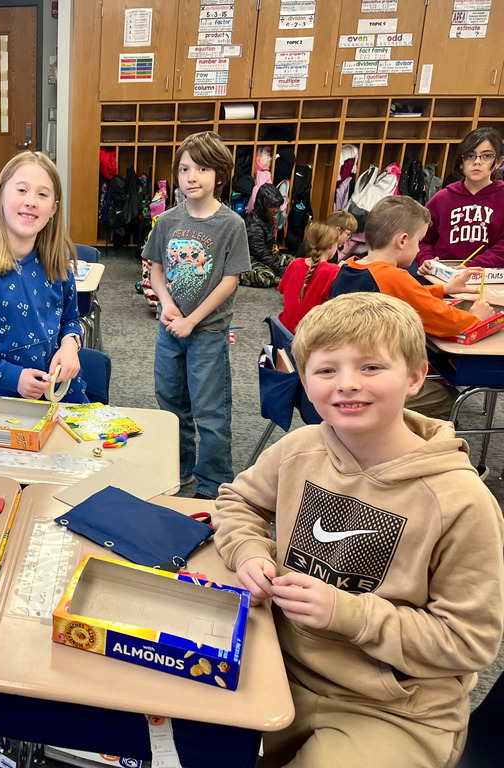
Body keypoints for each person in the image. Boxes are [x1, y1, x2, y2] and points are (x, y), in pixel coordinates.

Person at [213, 292, 504, 768]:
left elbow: (468, 642)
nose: (347, 385)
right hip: (275, 662)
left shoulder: (461, 503)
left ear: (414, 377)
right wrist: (248, 551)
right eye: (326, 370)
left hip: (391, 710)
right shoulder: (301, 448)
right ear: (305, 383)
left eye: (371, 368)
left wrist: (347, 613)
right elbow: (238, 501)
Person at [145, 131, 250, 499]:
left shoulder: (230, 225)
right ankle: (180, 472)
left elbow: (230, 280)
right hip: (170, 329)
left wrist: (192, 320)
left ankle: (213, 485)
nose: (191, 177)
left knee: (210, 413)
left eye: (202, 169)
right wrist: (165, 303)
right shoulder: (168, 221)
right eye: (185, 168)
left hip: (208, 333)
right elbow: (156, 269)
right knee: (171, 405)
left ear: (219, 175)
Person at [329, 196, 493, 418]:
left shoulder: (351, 266)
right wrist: (476, 317)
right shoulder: (394, 277)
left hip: (346, 371)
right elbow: (446, 321)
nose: (418, 250)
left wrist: (444, 289)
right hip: (371, 382)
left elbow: (406, 294)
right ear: (402, 240)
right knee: (450, 399)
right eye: (419, 241)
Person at [0, 150, 87, 402]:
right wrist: (11, 377)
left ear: (53, 209)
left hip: (66, 394)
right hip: (10, 402)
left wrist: (70, 344)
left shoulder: (58, 266)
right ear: (0, 196)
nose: (31, 201)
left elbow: (71, 319)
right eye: (22, 190)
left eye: (42, 194)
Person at [416, 126, 504, 269]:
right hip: (442, 276)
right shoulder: (442, 198)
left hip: (486, 277)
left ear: (499, 162)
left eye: (487, 156)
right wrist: (426, 260)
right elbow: (421, 238)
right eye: (470, 156)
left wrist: (474, 265)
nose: (477, 162)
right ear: (461, 163)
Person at [277, 222, 340, 333]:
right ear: (331, 246)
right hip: (309, 335)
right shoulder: (333, 271)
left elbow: (282, 290)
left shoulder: (295, 263)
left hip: (283, 329)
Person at [241, 182, 290, 288]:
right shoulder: (253, 223)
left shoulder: (269, 219)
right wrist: (281, 270)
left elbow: (269, 247)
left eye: (277, 206)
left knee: (294, 263)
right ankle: (240, 275)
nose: (276, 210)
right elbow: (260, 253)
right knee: (266, 277)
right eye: (272, 206)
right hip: (250, 260)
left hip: (267, 256)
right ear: (263, 204)